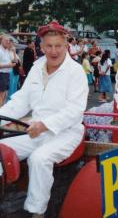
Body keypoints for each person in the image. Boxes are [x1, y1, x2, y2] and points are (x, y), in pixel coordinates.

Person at [0, 21, 89, 218]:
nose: (54, 51)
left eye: (58, 45)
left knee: (39, 159)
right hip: (35, 130)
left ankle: (37, 212)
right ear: (41, 47)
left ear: (66, 46)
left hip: (67, 132)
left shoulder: (75, 72)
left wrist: (45, 125)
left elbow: (75, 110)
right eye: (49, 46)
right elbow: (21, 101)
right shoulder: (36, 67)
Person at [0, 34, 16, 106]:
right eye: (6, 40)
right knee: (1, 94)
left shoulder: (7, 50)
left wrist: (14, 52)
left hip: (7, 74)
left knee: (4, 94)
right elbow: (10, 64)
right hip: (1, 74)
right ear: (1, 41)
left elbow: (15, 62)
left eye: (8, 40)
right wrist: (8, 65)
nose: (8, 42)